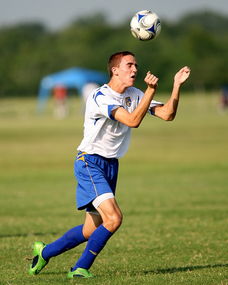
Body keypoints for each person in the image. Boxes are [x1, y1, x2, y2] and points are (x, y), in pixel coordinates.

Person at [29, 51, 190, 279]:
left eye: (136, 65)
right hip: (89, 162)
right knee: (113, 219)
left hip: (110, 165)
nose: (135, 69)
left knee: (89, 230)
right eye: (129, 65)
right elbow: (133, 121)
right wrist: (151, 91)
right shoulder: (100, 96)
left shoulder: (134, 94)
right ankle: (79, 268)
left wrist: (176, 85)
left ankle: (44, 252)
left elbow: (167, 115)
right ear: (115, 70)